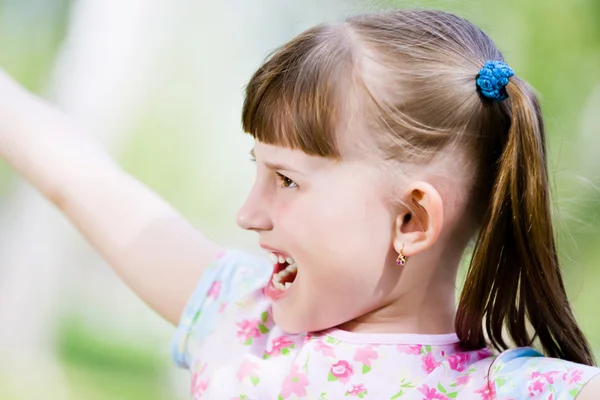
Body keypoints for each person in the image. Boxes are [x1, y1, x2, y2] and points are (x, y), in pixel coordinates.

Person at [0, 7, 599, 399]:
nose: (248, 214)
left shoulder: (516, 391)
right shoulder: (240, 314)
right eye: (255, 170)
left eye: (285, 180)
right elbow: (77, 176)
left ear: (411, 220)